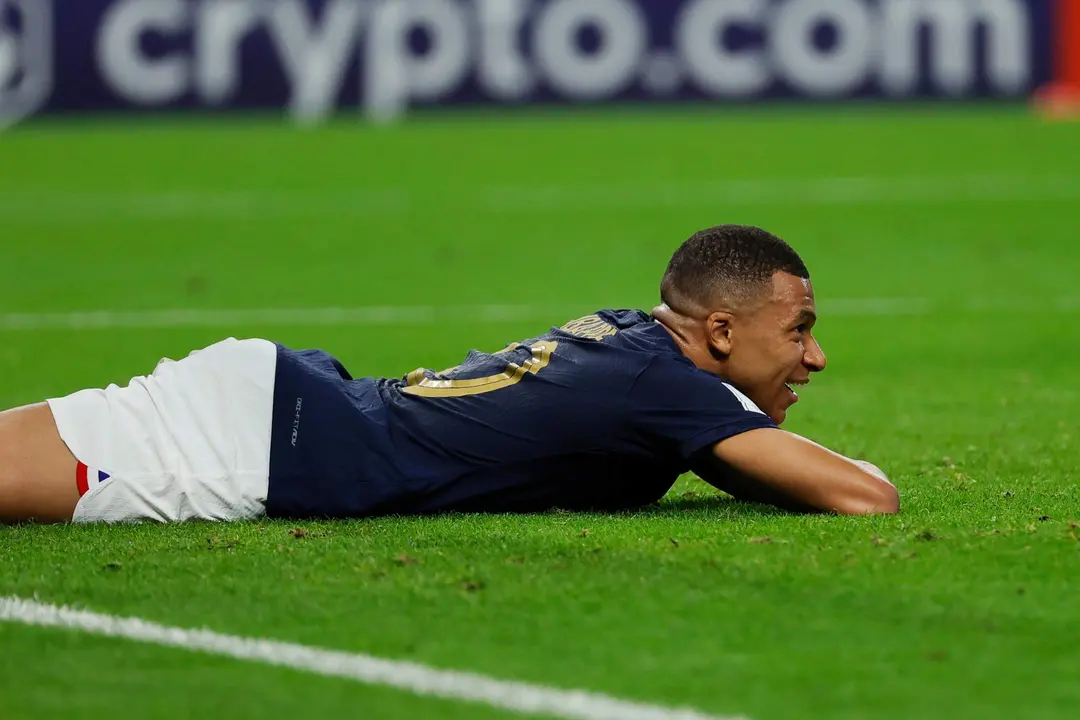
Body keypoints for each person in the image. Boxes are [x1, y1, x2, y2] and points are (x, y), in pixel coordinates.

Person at [0, 225, 898, 524]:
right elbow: (865, 499)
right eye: (800, 331)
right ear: (719, 329)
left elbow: (731, 455)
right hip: (245, 450)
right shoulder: (663, 387)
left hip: (279, 408)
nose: (815, 356)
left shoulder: (636, 343)